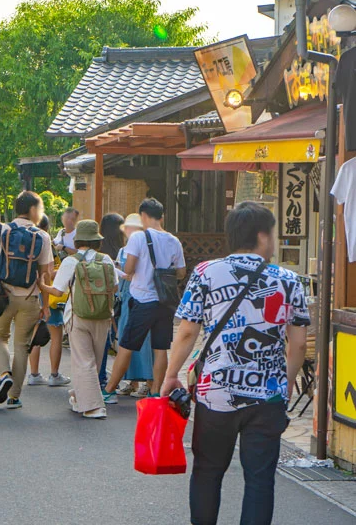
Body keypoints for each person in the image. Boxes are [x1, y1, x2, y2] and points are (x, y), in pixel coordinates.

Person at [162, 202, 308, 525]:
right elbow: (298, 344)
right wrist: (284, 385)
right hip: (267, 396)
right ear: (262, 236)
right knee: (259, 480)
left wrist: (171, 375)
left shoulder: (205, 273)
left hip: (215, 393)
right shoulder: (289, 280)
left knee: (207, 471)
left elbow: (187, 332)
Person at [102, 198, 186, 402]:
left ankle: (109, 390)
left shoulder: (138, 237)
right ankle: (156, 392)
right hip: (165, 303)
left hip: (143, 300)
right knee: (160, 349)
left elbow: (129, 268)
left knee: (126, 346)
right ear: (162, 217)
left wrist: (132, 270)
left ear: (143, 216)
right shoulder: (173, 241)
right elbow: (181, 273)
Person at [0, 191, 53, 409]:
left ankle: (4, 375)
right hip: (29, 299)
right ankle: (14, 397)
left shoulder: (1, 230)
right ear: (32, 209)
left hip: (1, 297)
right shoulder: (42, 236)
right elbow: (45, 275)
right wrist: (45, 305)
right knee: (22, 346)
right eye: (40, 208)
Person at [39, 219, 117, 419]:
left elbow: (58, 290)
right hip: (103, 316)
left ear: (78, 240)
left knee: (83, 361)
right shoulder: (106, 260)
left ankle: (94, 407)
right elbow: (114, 287)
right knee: (95, 362)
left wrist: (43, 286)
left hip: (78, 315)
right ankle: (78, 397)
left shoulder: (71, 261)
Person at [28, 214, 71, 387]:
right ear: (46, 227)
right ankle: (54, 374)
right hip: (47, 294)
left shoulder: (26, 241)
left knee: (35, 334)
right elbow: (49, 273)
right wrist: (63, 271)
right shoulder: (46, 243)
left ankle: (34, 374)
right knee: (56, 335)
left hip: (30, 294)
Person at [113, 214, 154, 397]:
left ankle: (149, 382)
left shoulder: (146, 250)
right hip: (125, 299)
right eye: (128, 227)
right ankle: (132, 381)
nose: (130, 231)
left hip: (141, 298)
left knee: (145, 341)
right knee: (125, 340)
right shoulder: (122, 251)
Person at [96, 213, 125, 389]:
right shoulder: (122, 250)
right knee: (120, 340)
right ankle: (119, 379)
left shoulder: (100, 251)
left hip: (102, 300)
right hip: (121, 299)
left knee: (105, 341)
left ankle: (102, 378)